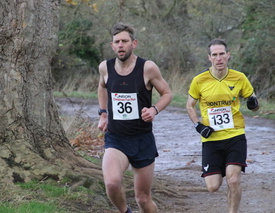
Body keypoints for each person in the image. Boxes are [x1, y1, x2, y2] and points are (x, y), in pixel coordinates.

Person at [97, 22, 172, 213]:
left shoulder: (147, 68)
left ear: (134, 43)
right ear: (112, 45)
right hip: (116, 138)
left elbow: (167, 93)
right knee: (112, 183)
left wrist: (154, 110)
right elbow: (102, 87)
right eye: (117, 42)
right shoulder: (105, 67)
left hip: (142, 140)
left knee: (143, 199)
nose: (121, 45)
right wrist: (103, 114)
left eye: (124, 41)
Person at [186, 39, 259, 213]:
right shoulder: (199, 80)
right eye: (215, 55)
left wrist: (253, 103)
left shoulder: (239, 77)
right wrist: (198, 126)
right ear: (209, 57)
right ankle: (226, 168)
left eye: (221, 54)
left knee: (233, 180)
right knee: (213, 186)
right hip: (211, 139)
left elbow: (254, 102)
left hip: (235, 135)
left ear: (228, 55)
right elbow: (189, 105)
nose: (219, 58)